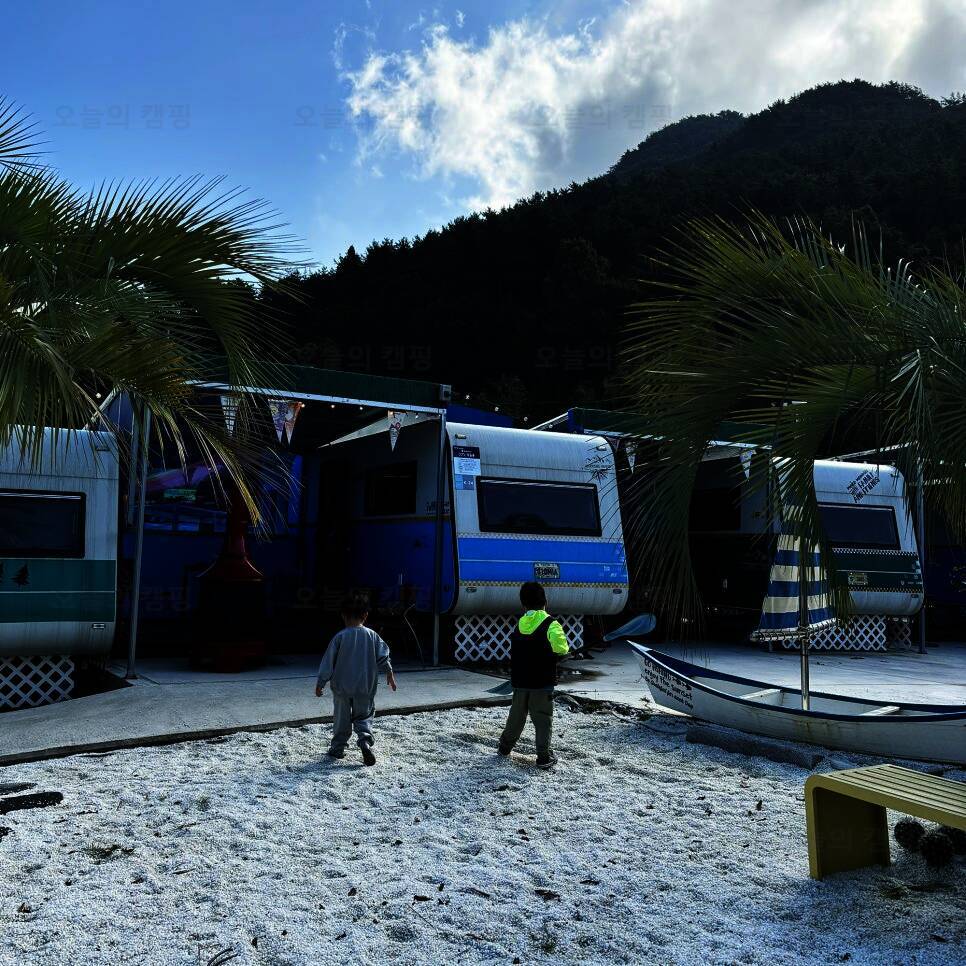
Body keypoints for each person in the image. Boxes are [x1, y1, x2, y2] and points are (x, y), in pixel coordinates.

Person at [315, 591, 396, 766]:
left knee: (341, 719)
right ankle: (365, 741)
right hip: (365, 688)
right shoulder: (373, 636)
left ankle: (338, 748)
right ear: (365, 615)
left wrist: (321, 682)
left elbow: (328, 662)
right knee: (364, 715)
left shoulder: (340, 637)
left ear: (343, 615)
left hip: (342, 689)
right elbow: (383, 657)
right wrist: (389, 673)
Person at [498, 581, 570, 769]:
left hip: (520, 681)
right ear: (545, 601)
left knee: (516, 717)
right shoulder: (551, 624)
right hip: (542, 683)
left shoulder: (520, 623)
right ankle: (544, 757)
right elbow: (561, 649)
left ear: (523, 604)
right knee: (543, 719)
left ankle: (504, 747)